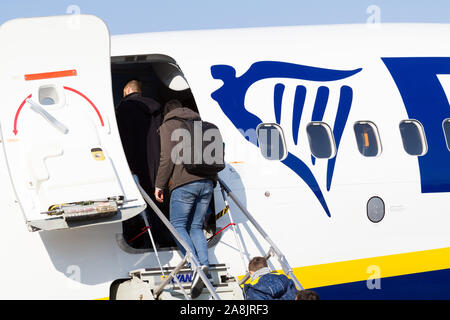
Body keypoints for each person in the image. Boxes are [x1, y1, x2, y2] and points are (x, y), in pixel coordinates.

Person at [154, 99, 217, 298]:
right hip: (207, 182)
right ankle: (204, 265)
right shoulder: (200, 123)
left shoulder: (169, 125)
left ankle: (195, 266)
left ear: (167, 112)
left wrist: (159, 184)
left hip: (184, 184)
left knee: (177, 225)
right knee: (196, 227)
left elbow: (166, 157)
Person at [116, 80, 171, 248]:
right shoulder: (157, 109)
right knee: (159, 200)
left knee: (140, 203)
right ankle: (167, 237)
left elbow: (125, 139)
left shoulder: (124, 109)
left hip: (136, 163)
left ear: (126, 91)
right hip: (158, 161)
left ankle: (150, 240)